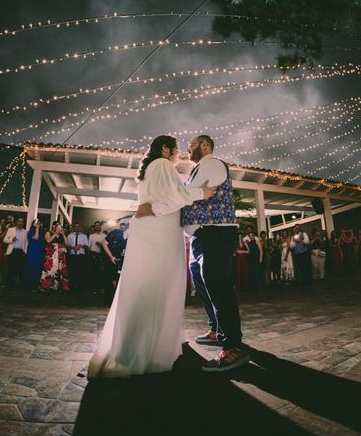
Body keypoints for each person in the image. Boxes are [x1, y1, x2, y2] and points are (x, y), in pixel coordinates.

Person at [88, 135, 215, 378]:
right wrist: (202, 192)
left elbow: (162, 198)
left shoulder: (152, 168)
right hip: (160, 234)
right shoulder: (163, 165)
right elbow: (173, 197)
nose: (179, 152)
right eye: (177, 148)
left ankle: (148, 343)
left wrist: (150, 208)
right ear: (166, 149)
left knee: (146, 285)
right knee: (160, 286)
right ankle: (149, 349)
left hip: (152, 231)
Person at [137, 134, 248, 372]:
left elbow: (188, 197)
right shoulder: (197, 170)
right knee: (202, 283)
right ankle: (216, 329)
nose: (187, 149)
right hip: (202, 237)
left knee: (219, 287)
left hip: (216, 233)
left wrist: (154, 208)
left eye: (192, 145)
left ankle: (233, 347)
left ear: (205, 146)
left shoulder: (213, 164)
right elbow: (185, 196)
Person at [39, 222, 70, 293]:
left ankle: (56, 286)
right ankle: (46, 286)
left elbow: (67, 243)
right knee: (50, 269)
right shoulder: (49, 233)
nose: (59, 228)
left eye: (60, 227)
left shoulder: (61, 235)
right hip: (52, 254)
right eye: (57, 226)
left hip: (60, 254)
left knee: (59, 269)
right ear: (54, 226)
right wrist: (55, 233)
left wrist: (63, 234)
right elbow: (48, 240)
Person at [3, 217, 27, 289]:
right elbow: (4, 240)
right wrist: (11, 240)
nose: (20, 223)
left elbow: (26, 243)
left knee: (19, 269)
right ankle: (9, 286)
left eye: (22, 222)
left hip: (21, 252)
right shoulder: (10, 230)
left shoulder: (25, 232)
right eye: (19, 221)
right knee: (10, 269)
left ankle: (18, 286)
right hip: (12, 251)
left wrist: (25, 252)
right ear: (16, 222)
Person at [23, 219, 45, 291]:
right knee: (31, 266)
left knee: (38, 268)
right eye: (37, 223)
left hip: (40, 252)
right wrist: (37, 228)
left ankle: (36, 285)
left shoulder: (42, 232)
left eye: (39, 223)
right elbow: (36, 238)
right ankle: (29, 285)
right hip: (33, 252)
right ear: (33, 224)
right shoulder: (30, 232)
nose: (38, 224)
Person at [67, 222, 89, 293]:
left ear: (80, 227)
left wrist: (81, 246)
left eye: (78, 226)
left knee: (80, 272)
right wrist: (72, 247)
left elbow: (87, 246)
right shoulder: (70, 235)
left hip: (81, 256)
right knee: (72, 272)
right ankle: (72, 287)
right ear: (73, 227)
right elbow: (67, 245)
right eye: (75, 226)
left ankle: (80, 288)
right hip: (72, 255)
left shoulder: (84, 236)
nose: (77, 228)